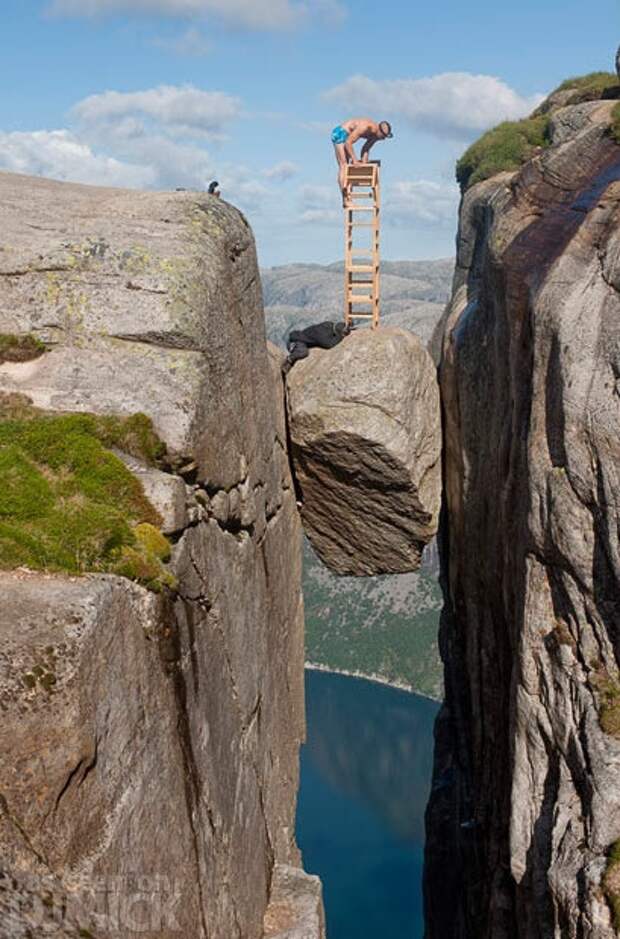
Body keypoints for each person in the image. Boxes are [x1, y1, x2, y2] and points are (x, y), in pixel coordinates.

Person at [331, 118, 393, 204]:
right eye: (383, 137)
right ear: (379, 131)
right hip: (340, 133)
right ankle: (345, 199)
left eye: (385, 137)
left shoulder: (376, 136)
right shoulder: (366, 127)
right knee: (343, 165)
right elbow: (348, 142)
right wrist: (355, 160)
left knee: (348, 166)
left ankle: (348, 197)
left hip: (347, 138)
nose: (383, 139)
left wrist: (364, 163)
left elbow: (366, 149)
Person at [282, 320, 353, 375]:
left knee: (304, 350)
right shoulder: (322, 335)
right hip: (296, 340)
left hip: (302, 339)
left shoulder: (329, 325)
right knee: (303, 352)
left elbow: (339, 328)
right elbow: (329, 345)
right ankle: (289, 360)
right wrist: (341, 336)